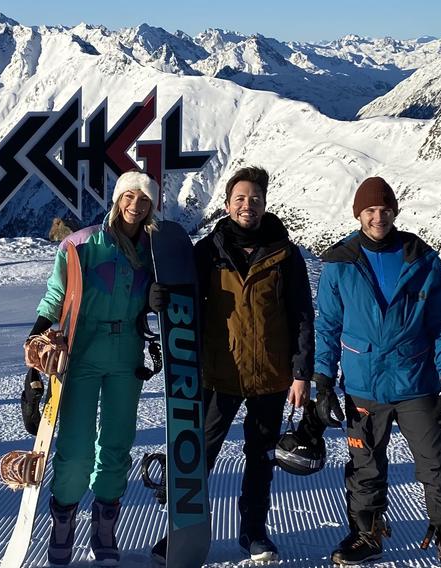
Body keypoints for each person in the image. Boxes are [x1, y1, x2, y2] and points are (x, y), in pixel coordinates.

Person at [150, 166, 315, 563]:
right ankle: (179, 533)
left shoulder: (285, 254)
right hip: (217, 373)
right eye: (240, 198)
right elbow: (182, 296)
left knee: (260, 459)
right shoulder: (207, 251)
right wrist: (158, 299)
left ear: (264, 204)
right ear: (227, 204)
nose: (248, 205)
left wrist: (301, 373)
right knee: (198, 457)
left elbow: (302, 315)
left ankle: (253, 533)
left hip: (270, 376)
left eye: (255, 199)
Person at [312, 176, 441, 567]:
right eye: (370, 211)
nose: (378, 217)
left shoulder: (422, 259)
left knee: (438, 468)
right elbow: (328, 327)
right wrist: (322, 381)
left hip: (416, 382)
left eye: (384, 210)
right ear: (358, 214)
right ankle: (367, 536)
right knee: (364, 467)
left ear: (395, 212)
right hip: (364, 385)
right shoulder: (340, 263)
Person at [21, 170, 158, 566]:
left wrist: (157, 301)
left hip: (126, 353)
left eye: (144, 200)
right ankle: (63, 520)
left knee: (116, 443)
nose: (136, 206)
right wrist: (35, 344)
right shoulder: (79, 245)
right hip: (80, 351)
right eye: (130, 197)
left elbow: (160, 295)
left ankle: (104, 525)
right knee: (76, 447)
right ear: (117, 200)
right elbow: (55, 296)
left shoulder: (153, 251)